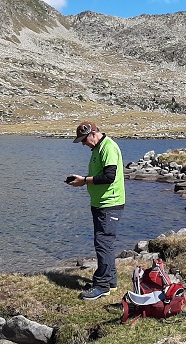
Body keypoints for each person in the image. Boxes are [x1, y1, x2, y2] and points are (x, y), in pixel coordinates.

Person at [66, 121, 126, 300]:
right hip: (100, 203)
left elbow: (109, 177)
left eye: (84, 140)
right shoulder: (97, 149)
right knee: (105, 243)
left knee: (103, 243)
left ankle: (102, 286)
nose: (83, 144)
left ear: (93, 134)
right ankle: (111, 282)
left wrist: (84, 180)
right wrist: (83, 181)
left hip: (110, 204)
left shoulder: (108, 147)